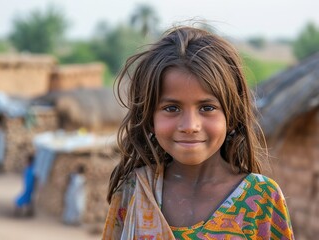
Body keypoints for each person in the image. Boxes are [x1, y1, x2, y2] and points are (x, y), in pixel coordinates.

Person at [102, 25, 294, 239]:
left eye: (207, 108)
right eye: (171, 108)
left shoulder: (261, 199)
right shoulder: (133, 192)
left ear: (231, 116)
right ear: (149, 118)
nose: (190, 125)